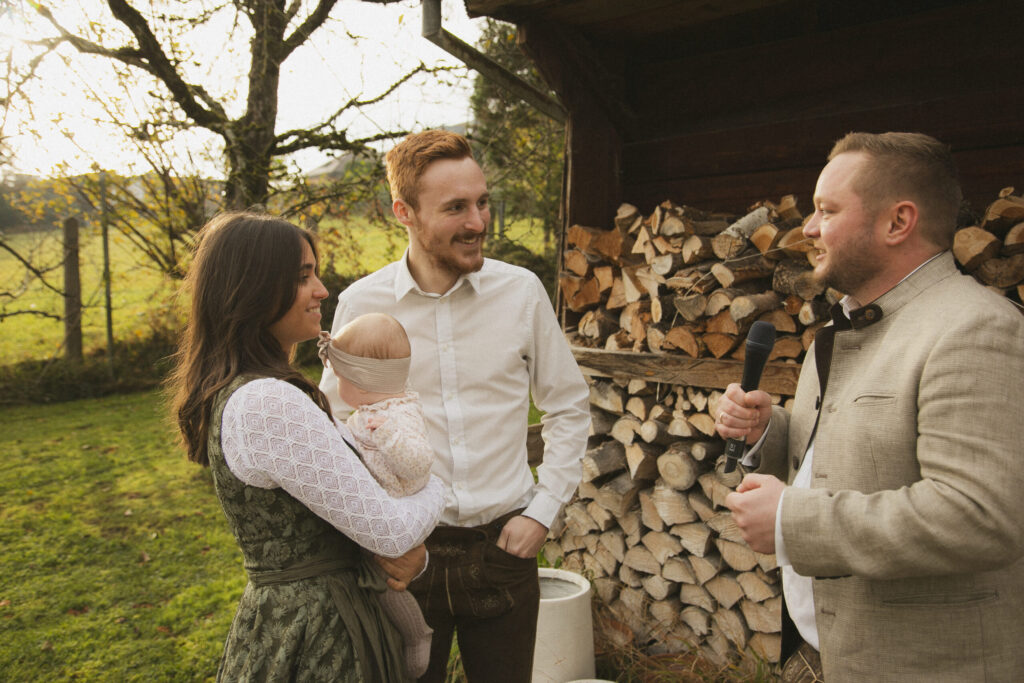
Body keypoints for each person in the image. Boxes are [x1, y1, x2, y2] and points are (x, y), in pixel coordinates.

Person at [716, 132, 1024, 681]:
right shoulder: (843, 323)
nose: (807, 229)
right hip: (819, 653)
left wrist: (792, 520)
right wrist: (771, 431)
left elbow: (980, 517)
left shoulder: (976, 328)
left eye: (826, 211)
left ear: (897, 222)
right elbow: (846, 453)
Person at [319, 129, 591, 683]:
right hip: (403, 562)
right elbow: (335, 426)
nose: (478, 221)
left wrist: (544, 509)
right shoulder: (361, 304)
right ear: (405, 212)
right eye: (456, 207)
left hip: (504, 552)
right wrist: (374, 534)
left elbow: (568, 405)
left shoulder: (521, 292)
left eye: (482, 201)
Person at [169, 211, 445, 682]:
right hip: (318, 634)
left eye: (315, 273)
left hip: (327, 612)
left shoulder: (261, 389)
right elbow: (390, 532)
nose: (321, 290)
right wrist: (438, 488)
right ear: (252, 289)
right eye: (302, 277)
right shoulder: (265, 401)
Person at [317, 312, 435, 680]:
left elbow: (419, 463)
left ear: (363, 383)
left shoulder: (395, 417)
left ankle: (417, 637)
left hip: (395, 513)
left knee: (385, 585)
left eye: (340, 378)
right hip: (379, 509)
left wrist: (387, 436)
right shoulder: (373, 409)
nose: (337, 387)